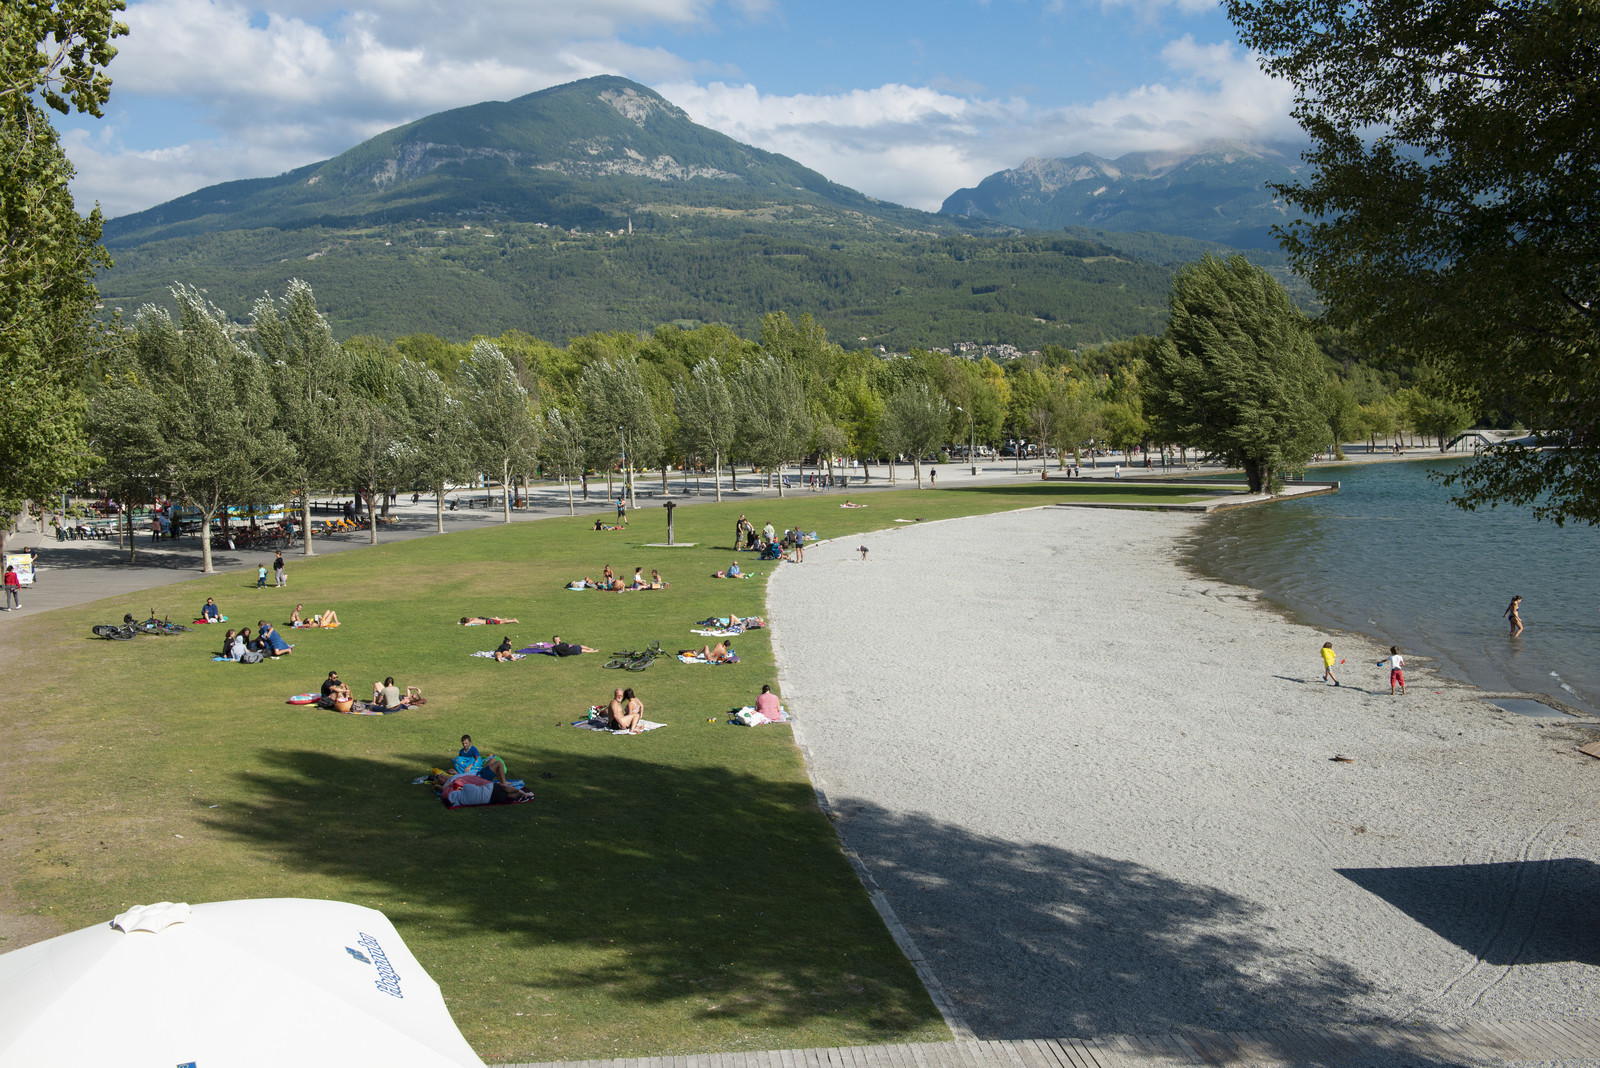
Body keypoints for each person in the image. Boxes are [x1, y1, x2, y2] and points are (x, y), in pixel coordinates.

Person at [432, 770, 533, 806]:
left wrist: (456, 773)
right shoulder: (448, 786)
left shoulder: (453, 777)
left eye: (441, 775)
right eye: (439, 778)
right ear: (440, 783)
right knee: (503, 788)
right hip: (483, 782)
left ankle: (519, 794)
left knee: (505, 794)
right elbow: (444, 791)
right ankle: (521, 792)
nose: (441, 776)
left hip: (478, 777)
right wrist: (437, 787)